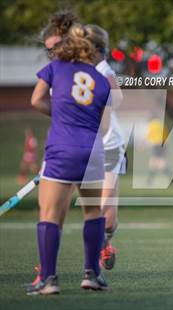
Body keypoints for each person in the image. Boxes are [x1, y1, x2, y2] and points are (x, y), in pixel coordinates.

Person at [26, 23, 111, 295]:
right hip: (93, 150)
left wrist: (62, 115)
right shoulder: (102, 80)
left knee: (49, 214)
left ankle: (48, 279)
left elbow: (37, 100)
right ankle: (91, 275)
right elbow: (105, 124)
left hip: (63, 149)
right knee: (93, 212)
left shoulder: (56, 68)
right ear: (95, 50)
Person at [85, 24, 126, 270]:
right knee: (100, 213)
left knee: (106, 215)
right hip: (81, 146)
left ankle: (105, 243)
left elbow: (117, 98)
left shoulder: (102, 68)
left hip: (109, 145)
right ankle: (49, 262)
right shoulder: (70, 68)